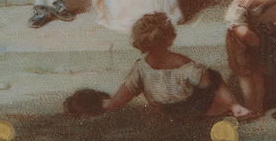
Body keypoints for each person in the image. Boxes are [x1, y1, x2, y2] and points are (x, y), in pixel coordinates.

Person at [100, 12, 249, 121]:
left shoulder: (140, 66)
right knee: (213, 76)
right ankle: (236, 107)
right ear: (170, 39)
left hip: (165, 110)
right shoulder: (180, 62)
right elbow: (205, 83)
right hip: (190, 107)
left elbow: (128, 89)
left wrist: (112, 103)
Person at [224, 0, 271, 117]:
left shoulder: (239, 4)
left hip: (242, 47)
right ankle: (258, 106)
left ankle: (251, 107)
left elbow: (242, 32)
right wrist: (263, 45)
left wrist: (257, 44)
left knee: (245, 77)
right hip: (260, 41)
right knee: (257, 75)